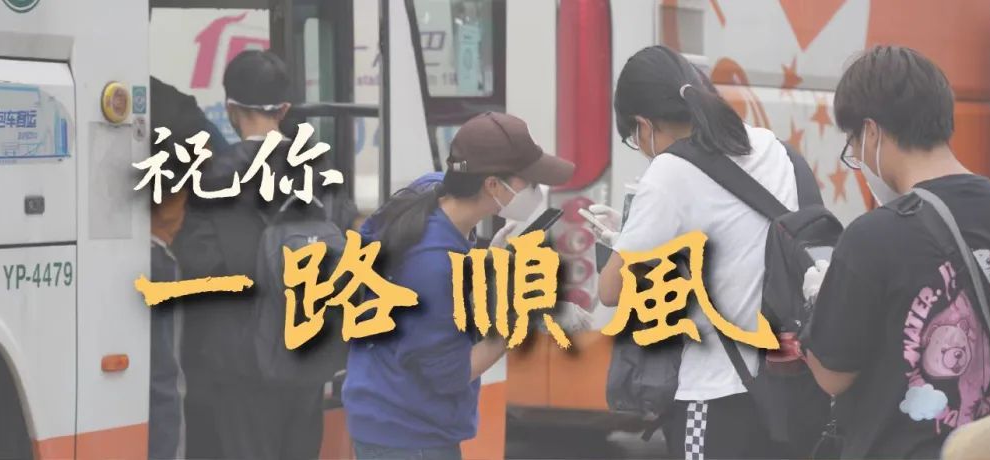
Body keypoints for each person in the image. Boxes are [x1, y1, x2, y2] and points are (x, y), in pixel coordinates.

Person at [593, 45, 812, 459]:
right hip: (788, 389)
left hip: (714, 394)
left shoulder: (670, 171)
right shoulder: (773, 149)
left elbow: (611, 290)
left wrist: (617, 241)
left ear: (644, 125)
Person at [342, 112, 591, 460]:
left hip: (389, 411)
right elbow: (451, 374)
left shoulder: (432, 190)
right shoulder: (432, 265)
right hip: (409, 437)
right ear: (492, 186)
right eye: (530, 182)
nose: (537, 191)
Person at [803, 46, 990, 459]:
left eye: (854, 143)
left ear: (871, 132)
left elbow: (832, 376)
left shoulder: (872, 237)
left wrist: (817, 301)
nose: (857, 157)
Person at [174, 49, 343, 460]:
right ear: (283, 109)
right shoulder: (319, 171)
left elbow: (198, 266)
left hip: (240, 364)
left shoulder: (213, 176)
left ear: (231, 109)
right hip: (307, 355)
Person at [147, 76, 229, 460]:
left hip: (111, 254)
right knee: (165, 381)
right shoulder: (178, 110)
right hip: (158, 255)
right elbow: (222, 165)